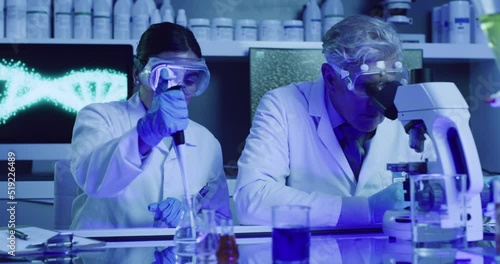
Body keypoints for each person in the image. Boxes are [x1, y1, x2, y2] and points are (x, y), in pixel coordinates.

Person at [233, 15, 435, 226]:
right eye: (367, 86)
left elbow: (450, 184)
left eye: (388, 85)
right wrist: (364, 210)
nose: (379, 103)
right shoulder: (283, 105)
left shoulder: (408, 112)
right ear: (330, 78)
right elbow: (252, 200)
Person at [70, 22, 231, 229]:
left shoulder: (207, 142)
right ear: (138, 73)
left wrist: (187, 223)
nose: (177, 88)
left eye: (189, 79)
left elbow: (219, 222)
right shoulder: (99, 117)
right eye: (165, 75)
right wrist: (146, 134)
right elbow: (93, 180)